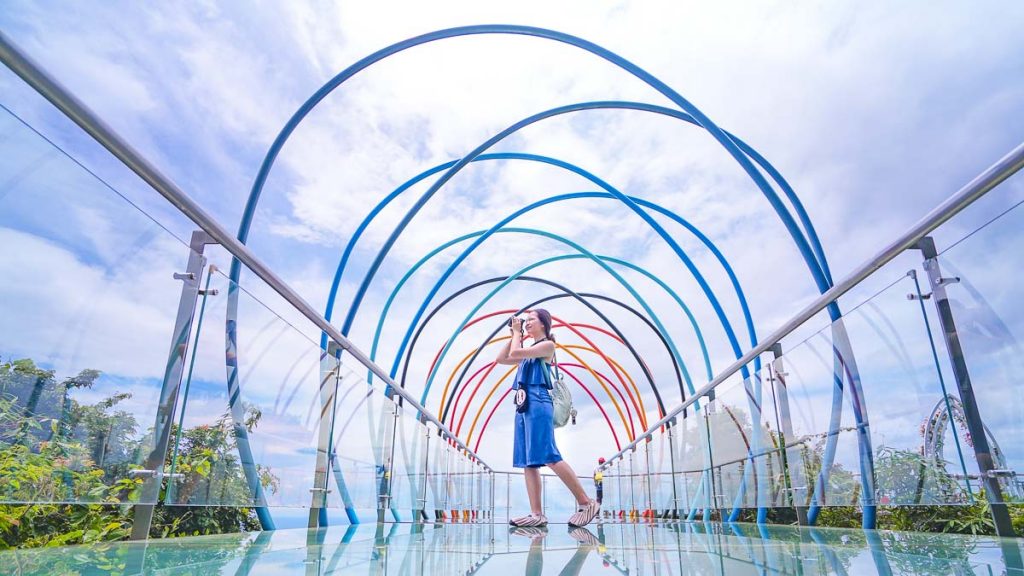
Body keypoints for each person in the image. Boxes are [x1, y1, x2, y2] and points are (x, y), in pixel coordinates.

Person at [497, 308, 600, 528]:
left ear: (544, 324)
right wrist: (514, 335)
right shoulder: (528, 351)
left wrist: (517, 335)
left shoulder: (547, 346)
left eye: (531, 320)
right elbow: (501, 359)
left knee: (549, 454)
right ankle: (537, 514)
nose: (527, 323)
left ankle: (586, 502)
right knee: (528, 461)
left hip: (539, 402)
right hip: (523, 405)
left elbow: (515, 354)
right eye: (526, 321)